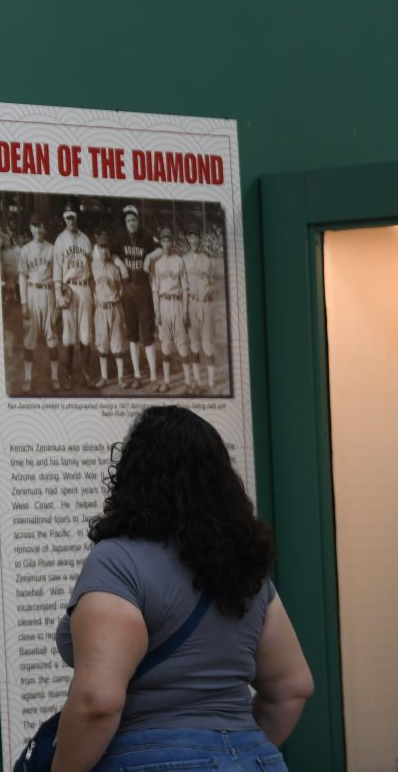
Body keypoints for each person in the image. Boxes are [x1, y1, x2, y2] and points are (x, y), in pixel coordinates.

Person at [48, 406, 312, 771]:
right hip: (256, 759)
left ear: (132, 475)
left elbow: (98, 702)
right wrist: (231, 753)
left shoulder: (117, 562)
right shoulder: (247, 572)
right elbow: (292, 687)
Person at [113, 207, 159, 388]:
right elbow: (111, 252)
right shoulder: (120, 236)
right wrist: (120, 264)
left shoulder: (146, 236)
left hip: (143, 290)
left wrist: (148, 257)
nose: (131, 223)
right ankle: (138, 375)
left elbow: (160, 249)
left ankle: (154, 376)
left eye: (133, 219)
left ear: (138, 220)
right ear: (125, 222)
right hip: (127, 290)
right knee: (132, 334)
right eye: (128, 220)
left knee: (147, 333)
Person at [16, 216, 60, 393]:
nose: (35, 230)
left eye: (38, 226)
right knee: (29, 337)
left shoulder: (52, 249)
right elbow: (22, 277)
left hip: (49, 292)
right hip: (33, 292)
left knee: (52, 336)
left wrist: (57, 302)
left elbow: (58, 276)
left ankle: (55, 378)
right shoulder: (26, 250)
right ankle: (27, 378)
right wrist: (24, 302)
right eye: (32, 227)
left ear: (44, 228)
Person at [53, 207, 94, 386]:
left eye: (72, 217)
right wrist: (58, 295)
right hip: (68, 288)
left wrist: (94, 292)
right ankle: (68, 375)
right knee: (68, 335)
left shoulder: (86, 240)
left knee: (86, 334)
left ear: (76, 218)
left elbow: (93, 267)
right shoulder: (60, 241)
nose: (70, 221)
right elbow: (56, 270)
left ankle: (86, 374)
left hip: (84, 288)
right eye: (67, 218)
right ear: (64, 219)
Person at [149, 230, 189, 395]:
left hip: (177, 303)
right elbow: (154, 290)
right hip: (164, 305)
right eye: (163, 240)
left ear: (172, 242)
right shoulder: (157, 264)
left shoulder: (179, 260)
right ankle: (166, 381)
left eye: (169, 240)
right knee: (165, 345)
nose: (166, 243)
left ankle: (188, 382)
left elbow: (185, 288)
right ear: (161, 243)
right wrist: (157, 311)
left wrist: (185, 310)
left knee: (182, 344)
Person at [91, 231, 128, 388]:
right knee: (102, 343)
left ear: (110, 249)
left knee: (118, 342)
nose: (104, 250)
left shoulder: (116, 265)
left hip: (115, 307)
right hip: (100, 308)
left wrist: (118, 261)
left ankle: (121, 377)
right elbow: (91, 285)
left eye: (106, 247)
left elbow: (123, 283)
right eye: (101, 247)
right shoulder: (93, 265)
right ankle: (104, 377)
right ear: (97, 248)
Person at [183, 231, 218, 393]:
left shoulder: (208, 260)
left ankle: (211, 384)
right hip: (191, 304)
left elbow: (214, 282)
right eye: (191, 237)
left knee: (208, 344)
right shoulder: (184, 260)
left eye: (196, 237)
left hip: (205, 304)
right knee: (194, 344)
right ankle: (197, 381)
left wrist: (210, 292)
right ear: (188, 240)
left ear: (200, 239)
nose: (194, 240)